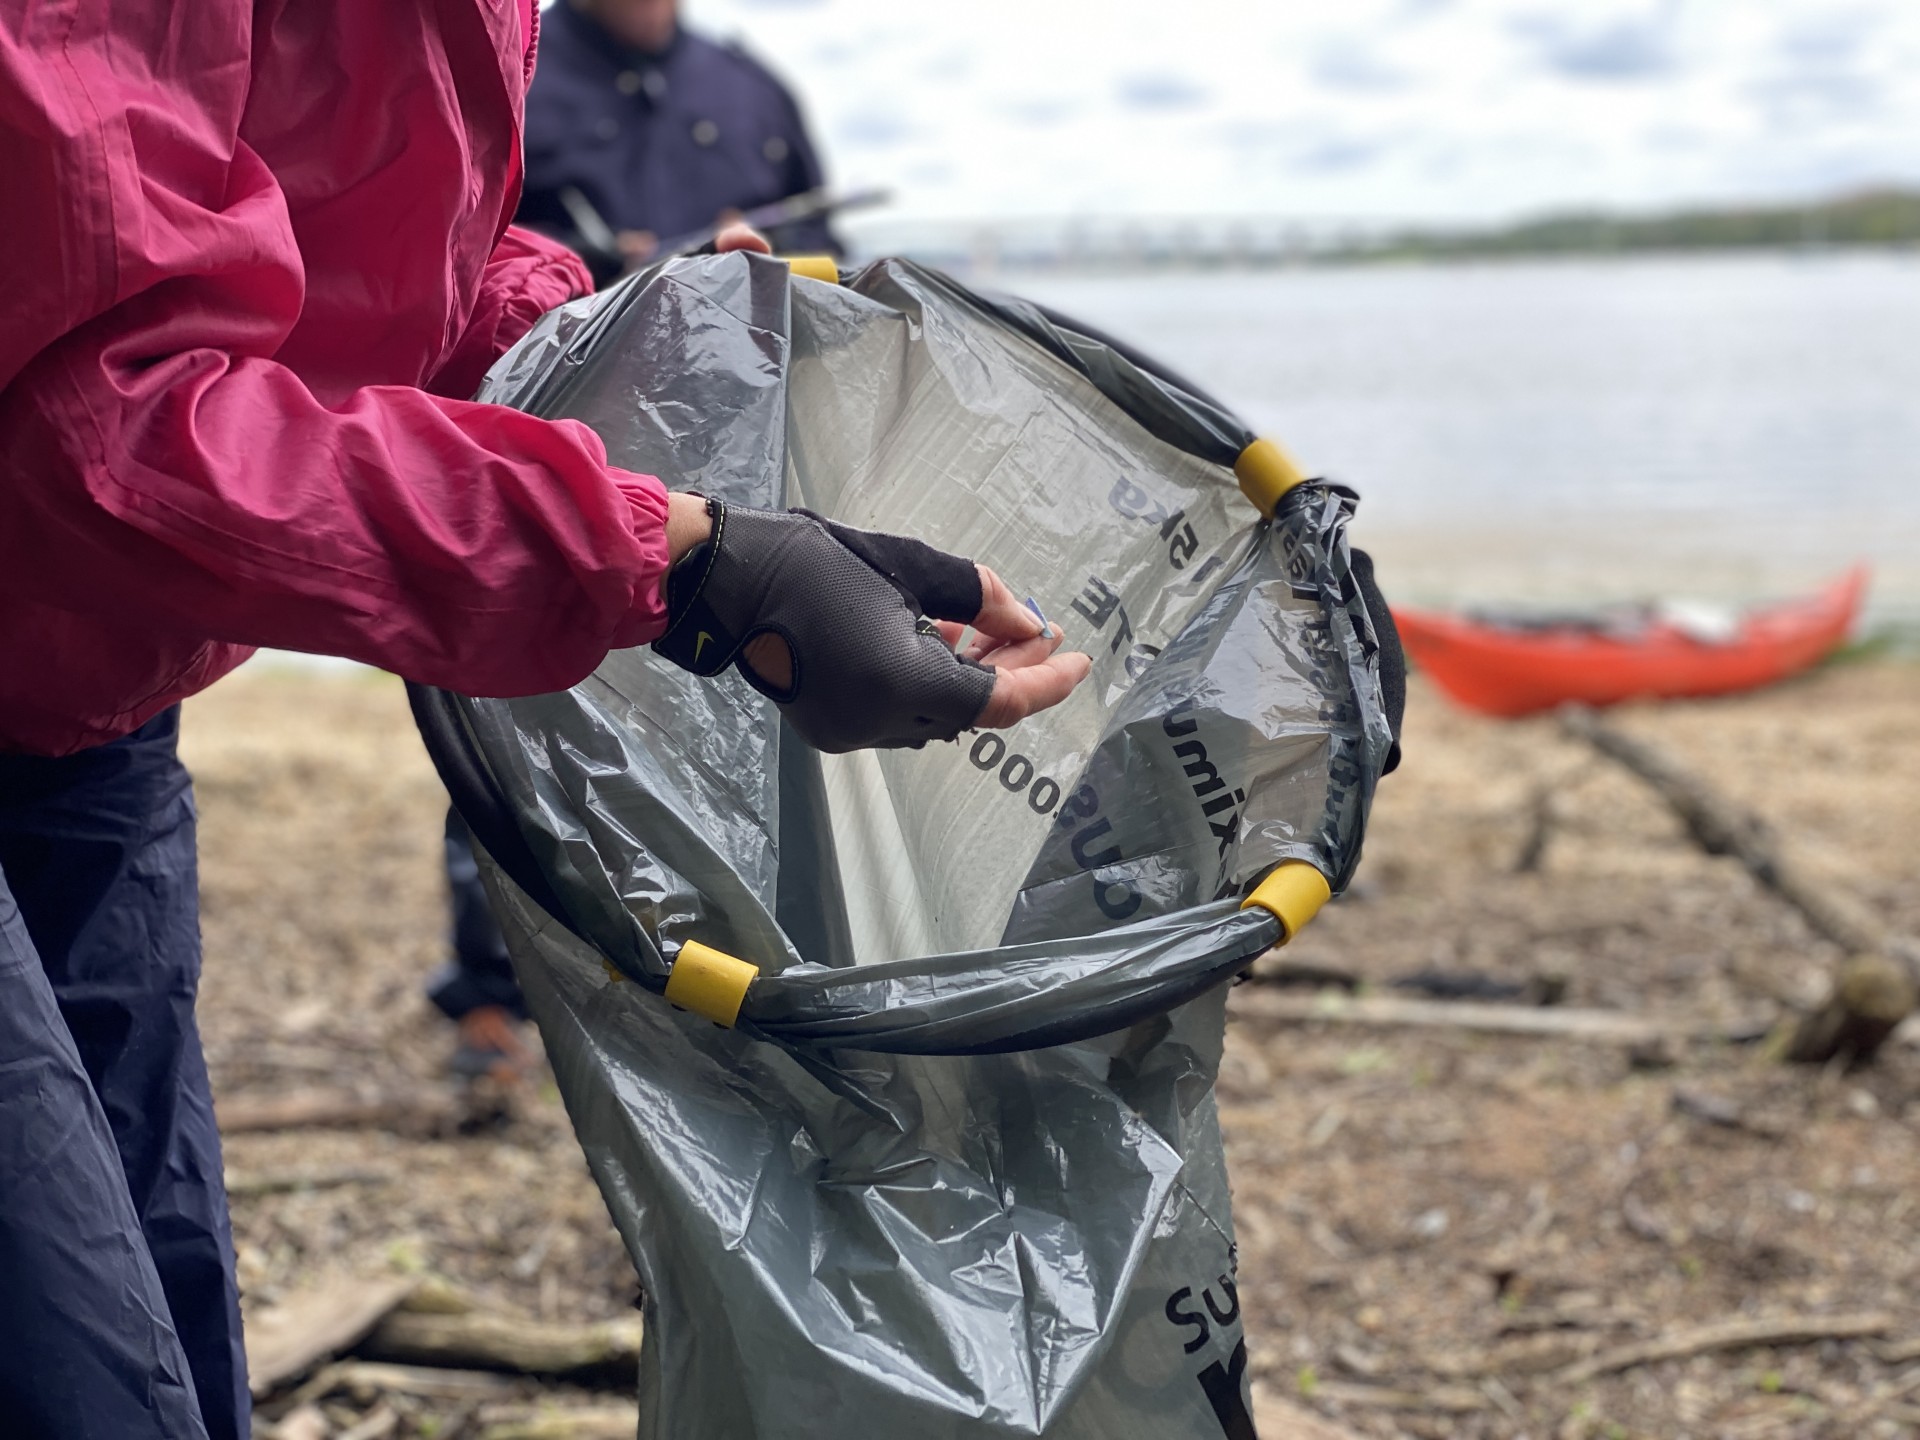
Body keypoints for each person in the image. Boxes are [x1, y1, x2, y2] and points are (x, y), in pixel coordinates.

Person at [0, 4, 1087, 1436]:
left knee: (169, 1292)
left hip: (87, 704)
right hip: (70, 585)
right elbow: (96, 426)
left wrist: (599, 341)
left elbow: (358, 255)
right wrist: (682, 561)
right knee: (80, 1371)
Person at [431, 0, 846, 1076]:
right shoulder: (507, 71)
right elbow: (449, 263)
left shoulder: (751, 89)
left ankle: (731, 980)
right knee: (512, 717)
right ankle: (493, 994)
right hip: (555, 460)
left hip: (738, 465)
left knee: (737, 726)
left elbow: (828, 270)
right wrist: (601, 274)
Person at [519, 0, 841, 280]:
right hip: (570, 342)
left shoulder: (755, 87)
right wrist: (580, 262)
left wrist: (763, 252)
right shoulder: (508, 74)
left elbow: (822, 240)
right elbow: (478, 254)